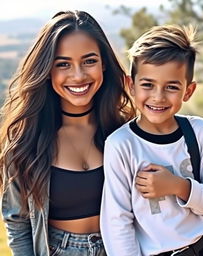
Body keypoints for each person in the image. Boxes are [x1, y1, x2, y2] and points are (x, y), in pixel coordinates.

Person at [0, 10, 135, 256]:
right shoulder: (25, 141)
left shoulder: (126, 131)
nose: (78, 75)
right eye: (63, 64)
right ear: (47, 69)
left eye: (89, 61)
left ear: (104, 63)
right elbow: (17, 223)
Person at [100, 24, 203, 256]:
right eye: (147, 84)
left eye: (171, 87)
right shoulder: (121, 145)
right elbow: (117, 222)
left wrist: (178, 186)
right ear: (131, 85)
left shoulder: (199, 131)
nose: (158, 97)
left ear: (188, 92)